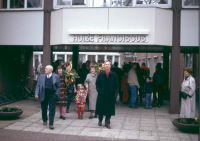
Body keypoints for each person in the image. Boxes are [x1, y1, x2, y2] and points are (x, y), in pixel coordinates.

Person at [35, 65, 60, 130]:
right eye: (45, 68)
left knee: (52, 109)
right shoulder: (41, 76)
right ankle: (45, 120)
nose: (45, 69)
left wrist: (56, 94)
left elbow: (58, 87)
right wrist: (36, 93)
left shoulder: (56, 76)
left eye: (46, 69)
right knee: (44, 108)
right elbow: (38, 85)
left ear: (50, 70)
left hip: (52, 95)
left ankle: (51, 124)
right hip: (44, 94)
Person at [95, 61, 119, 129]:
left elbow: (116, 84)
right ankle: (100, 120)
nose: (107, 66)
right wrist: (99, 90)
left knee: (109, 109)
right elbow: (97, 83)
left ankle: (107, 123)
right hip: (101, 94)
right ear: (104, 66)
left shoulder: (114, 75)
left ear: (110, 66)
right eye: (106, 64)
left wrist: (113, 91)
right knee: (100, 108)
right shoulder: (100, 74)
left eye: (108, 64)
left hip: (110, 95)